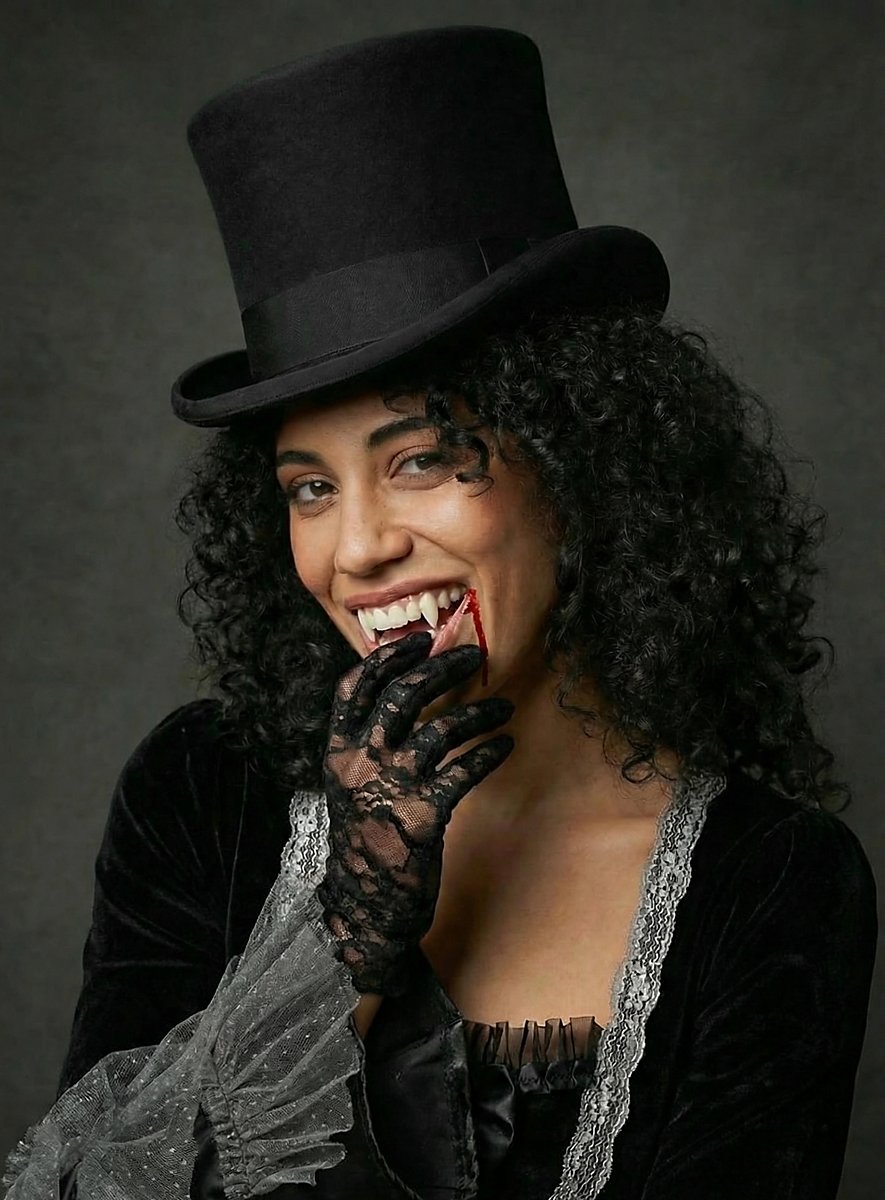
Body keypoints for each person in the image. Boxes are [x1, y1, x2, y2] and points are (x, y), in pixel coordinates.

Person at [3, 25, 877, 1200]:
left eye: (420, 460)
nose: (358, 546)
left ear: (580, 465)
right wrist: (347, 933)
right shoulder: (204, 794)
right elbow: (77, 1184)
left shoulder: (769, 882)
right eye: (310, 488)